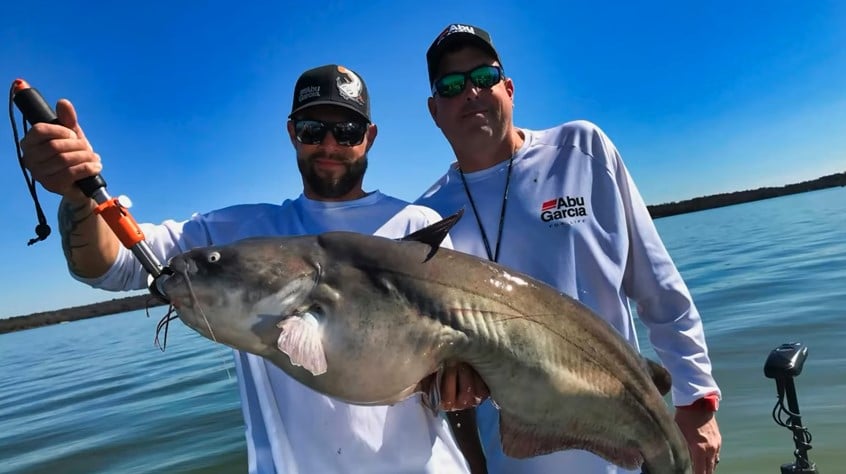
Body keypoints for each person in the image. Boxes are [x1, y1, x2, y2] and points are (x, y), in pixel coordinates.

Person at [21, 64, 476, 474]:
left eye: (348, 130)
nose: (330, 145)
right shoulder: (234, 234)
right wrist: (77, 195)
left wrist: (462, 385)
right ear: (292, 132)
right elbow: (109, 266)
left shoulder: (420, 229)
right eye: (314, 129)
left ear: (370, 136)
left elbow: (456, 363)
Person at [415, 24, 723, 474]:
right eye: (452, 84)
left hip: (630, 454)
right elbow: (431, 364)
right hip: (513, 462)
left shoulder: (582, 149)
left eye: (484, 77)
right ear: (434, 110)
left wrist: (696, 403)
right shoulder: (426, 217)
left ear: (509, 88)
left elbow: (659, 288)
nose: (471, 93)